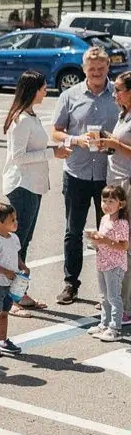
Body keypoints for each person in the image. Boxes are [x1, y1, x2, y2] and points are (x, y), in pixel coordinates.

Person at [50, 46, 119, 304]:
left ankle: (109, 287)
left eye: (101, 68)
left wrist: (112, 142)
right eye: (92, 69)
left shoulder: (119, 95)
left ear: (108, 68)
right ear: (84, 70)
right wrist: (74, 139)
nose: (97, 73)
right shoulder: (70, 96)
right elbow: (56, 131)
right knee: (73, 231)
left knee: (109, 233)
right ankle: (71, 284)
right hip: (77, 173)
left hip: (108, 174)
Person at [2, 70, 70, 314]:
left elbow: (35, 148)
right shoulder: (21, 120)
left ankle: (18, 294)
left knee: (23, 242)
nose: (45, 91)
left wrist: (55, 149)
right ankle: (12, 299)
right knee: (17, 245)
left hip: (34, 185)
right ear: (33, 90)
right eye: (43, 88)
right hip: (23, 186)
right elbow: (19, 157)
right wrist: (53, 153)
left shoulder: (30, 115)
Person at [97, 70, 131, 326]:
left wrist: (117, 145)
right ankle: (116, 301)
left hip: (128, 183)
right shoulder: (123, 113)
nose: (115, 93)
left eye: (119, 89)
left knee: (124, 243)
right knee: (112, 241)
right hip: (116, 180)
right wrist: (108, 140)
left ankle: (126, 306)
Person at [85, 185, 129, 341]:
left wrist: (104, 241)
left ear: (121, 204)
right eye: (104, 200)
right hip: (102, 263)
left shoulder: (121, 223)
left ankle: (115, 328)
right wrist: (95, 238)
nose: (106, 205)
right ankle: (104, 323)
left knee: (113, 297)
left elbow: (124, 245)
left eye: (111, 201)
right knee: (103, 296)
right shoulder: (104, 218)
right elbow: (103, 238)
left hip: (114, 265)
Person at [0, 201, 25, 359]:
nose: (16, 222)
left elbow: (16, 255)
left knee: (5, 312)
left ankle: (3, 340)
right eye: (12, 220)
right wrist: (5, 272)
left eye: (15, 219)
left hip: (10, 282)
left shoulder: (14, 238)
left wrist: (22, 266)